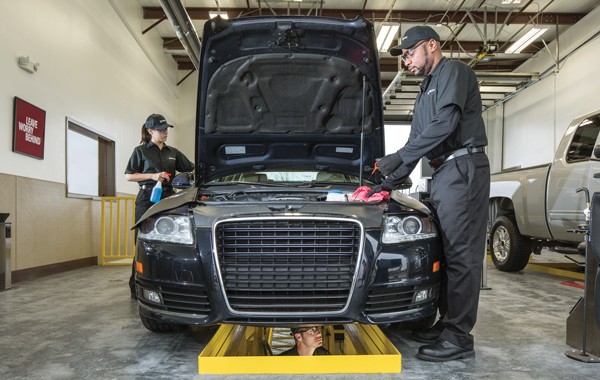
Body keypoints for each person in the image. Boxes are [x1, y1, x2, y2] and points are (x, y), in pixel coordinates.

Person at [368, 26, 490, 362]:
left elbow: (445, 126)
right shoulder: (425, 91)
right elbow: (418, 143)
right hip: (444, 172)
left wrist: (399, 158)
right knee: (449, 254)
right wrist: (386, 183)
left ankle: (459, 337)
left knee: (463, 257)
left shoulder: (453, 72)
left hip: (463, 169)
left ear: (431, 45)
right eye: (404, 56)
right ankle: (448, 324)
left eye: (409, 52)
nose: (406, 60)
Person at [124, 113, 194, 298]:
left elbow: (191, 168)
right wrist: (153, 176)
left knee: (168, 241)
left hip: (168, 197)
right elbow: (129, 175)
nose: (165, 133)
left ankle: (166, 286)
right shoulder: (140, 151)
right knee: (142, 241)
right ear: (150, 131)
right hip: (147, 198)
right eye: (161, 130)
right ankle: (136, 287)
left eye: (166, 129)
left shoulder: (173, 153)